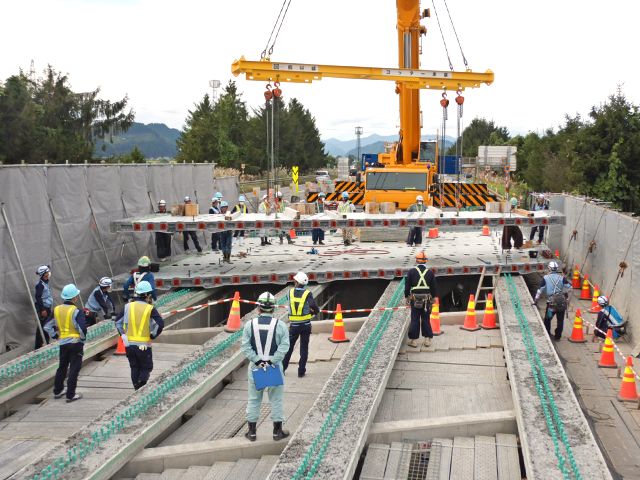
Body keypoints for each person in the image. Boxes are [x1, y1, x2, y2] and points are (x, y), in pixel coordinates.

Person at [241, 291, 291, 442]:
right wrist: (272, 362)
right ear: (274, 309)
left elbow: (245, 347)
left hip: (256, 368)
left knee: (254, 399)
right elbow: (284, 346)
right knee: (276, 399)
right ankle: (277, 432)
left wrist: (257, 361)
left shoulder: (250, 325)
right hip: (274, 368)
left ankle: (252, 433)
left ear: (258, 308)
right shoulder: (281, 325)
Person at [115, 281, 164, 390]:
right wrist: (152, 337)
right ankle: (140, 386)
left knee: (134, 367)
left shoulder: (128, 307)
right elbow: (160, 324)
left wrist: (123, 335)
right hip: (144, 344)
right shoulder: (150, 308)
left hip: (129, 345)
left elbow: (117, 322)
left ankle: (136, 389)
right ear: (148, 295)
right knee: (147, 368)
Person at [44, 284, 87, 403]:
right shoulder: (76, 311)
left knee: (62, 366)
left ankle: (58, 391)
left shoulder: (57, 309)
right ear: (75, 297)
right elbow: (82, 328)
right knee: (74, 368)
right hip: (75, 343)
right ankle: (70, 395)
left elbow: (47, 326)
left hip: (63, 342)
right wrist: (82, 340)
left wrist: (55, 336)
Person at [282, 272, 320, 378]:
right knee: (304, 348)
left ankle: (282, 369)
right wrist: (316, 311)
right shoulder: (308, 293)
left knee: (289, 348)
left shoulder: (289, 292)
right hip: (306, 325)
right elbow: (312, 304)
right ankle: (301, 371)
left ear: (296, 282)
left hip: (294, 326)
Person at [404, 252, 437, 347]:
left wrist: (406, 296)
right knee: (426, 319)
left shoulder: (412, 271)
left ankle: (413, 341)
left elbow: (407, 286)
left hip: (415, 299)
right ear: (426, 261)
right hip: (426, 299)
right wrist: (433, 297)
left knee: (415, 319)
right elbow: (434, 287)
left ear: (417, 260)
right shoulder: (430, 273)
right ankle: (427, 340)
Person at [533, 261, 571, 340]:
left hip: (551, 302)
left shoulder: (546, 278)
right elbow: (570, 287)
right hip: (561, 301)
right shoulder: (561, 278)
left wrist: (536, 299)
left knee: (548, 319)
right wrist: (566, 294)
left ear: (549, 269)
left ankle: (548, 335)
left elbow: (540, 289)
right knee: (560, 320)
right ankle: (557, 336)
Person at [34, 265, 53, 349]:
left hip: (46, 307)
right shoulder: (40, 284)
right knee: (42, 326)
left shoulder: (45, 282)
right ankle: (38, 345)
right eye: (47, 272)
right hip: (43, 307)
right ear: (44, 274)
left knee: (46, 324)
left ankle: (46, 341)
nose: (49, 273)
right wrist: (42, 310)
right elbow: (38, 297)